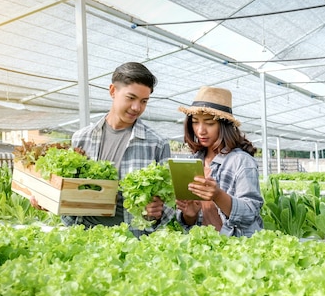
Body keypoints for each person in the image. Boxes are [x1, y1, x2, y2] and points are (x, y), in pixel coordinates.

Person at [32, 62, 172, 237]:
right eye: (131, 98)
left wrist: (155, 213)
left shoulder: (156, 144)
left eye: (144, 101)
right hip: (84, 237)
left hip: (132, 243)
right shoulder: (82, 138)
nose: (137, 107)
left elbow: (170, 204)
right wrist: (48, 199)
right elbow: (70, 192)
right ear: (113, 91)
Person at [175, 86, 264, 237]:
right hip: (204, 249)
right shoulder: (194, 161)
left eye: (209, 123)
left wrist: (218, 195)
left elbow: (250, 212)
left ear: (224, 125)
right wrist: (190, 215)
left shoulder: (241, 161)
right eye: (195, 122)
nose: (201, 130)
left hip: (236, 249)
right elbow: (192, 221)